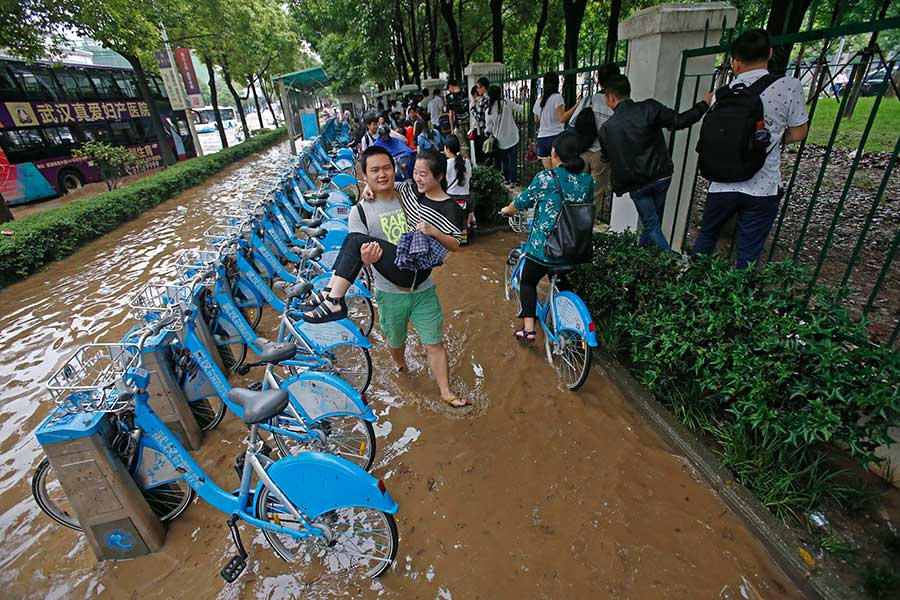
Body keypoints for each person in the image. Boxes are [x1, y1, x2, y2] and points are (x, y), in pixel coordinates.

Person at [302, 146, 469, 408]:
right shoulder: (360, 210)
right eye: (374, 171)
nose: (382, 175)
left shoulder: (410, 192)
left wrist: (436, 230)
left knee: (434, 343)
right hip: (390, 288)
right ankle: (401, 366)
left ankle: (446, 391)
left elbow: (432, 195)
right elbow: (356, 254)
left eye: (386, 168)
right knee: (395, 340)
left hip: (422, 285)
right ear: (364, 175)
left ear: (395, 169)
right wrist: (366, 260)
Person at [692, 29, 809, 268]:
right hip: (763, 185)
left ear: (735, 62)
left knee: (706, 237)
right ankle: (741, 296)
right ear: (770, 53)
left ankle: (692, 283)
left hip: (721, 182)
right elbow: (799, 132)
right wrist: (767, 140)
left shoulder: (720, 95)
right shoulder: (789, 87)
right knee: (749, 250)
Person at [598, 74, 711, 251]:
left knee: (651, 225)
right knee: (652, 224)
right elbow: (679, 121)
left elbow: (606, 157)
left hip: (637, 184)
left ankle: (669, 262)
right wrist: (703, 104)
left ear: (611, 97)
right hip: (661, 176)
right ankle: (643, 255)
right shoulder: (649, 108)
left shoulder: (607, 128)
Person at [500, 131, 593, 342]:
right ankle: (572, 322)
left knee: (527, 281)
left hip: (546, 248)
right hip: (574, 247)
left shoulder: (545, 178)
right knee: (559, 277)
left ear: (554, 152)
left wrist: (507, 210)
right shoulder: (587, 181)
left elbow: (522, 201)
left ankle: (528, 330)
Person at [567, 63, 620, 214]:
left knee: (578, 191)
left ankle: (572, 223)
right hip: (602, 155)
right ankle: (587, 227)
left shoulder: (589, 100)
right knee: (595, 196)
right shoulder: (617, 104)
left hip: (583, 151)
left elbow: (572, 123)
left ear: (599, 80)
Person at [533, 72, 578, 170]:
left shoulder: (539, 100)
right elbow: (562, 118)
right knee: (558, 173)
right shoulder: (557, 98)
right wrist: (576, 106)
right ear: (556, 83)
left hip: (542, 140)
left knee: (550, 174)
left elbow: (536, 119)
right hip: (555, 138)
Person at [485, 84, 524, 184]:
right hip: (513, 136)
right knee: (513, 161)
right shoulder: (507, 103)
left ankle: (506, 179)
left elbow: (488, 127)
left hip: (500, 140)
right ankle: (514, 181)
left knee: (505, 161)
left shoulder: (489, 110)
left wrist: (487, 132)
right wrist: (521, 99)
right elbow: (521, 109)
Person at [443, 134, 474, 242]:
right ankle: (469, 225)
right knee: (468, 215)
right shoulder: (467, 162)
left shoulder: (446, 164)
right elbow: (469, 178)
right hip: (466, 197)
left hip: (451, 197)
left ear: (447, 149)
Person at [471, 78, 490, 164]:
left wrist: (472, 109)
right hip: (492, 129)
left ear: (483, 87)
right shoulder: (490, 97)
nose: (477, 89)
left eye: (478, 87)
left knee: (483, 155)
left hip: (483, 130)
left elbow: (479, 117)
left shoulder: (483, 100)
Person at [446, 79, 470, 144]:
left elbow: (451, 115)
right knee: (470, 142)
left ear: (451, 86)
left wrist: (452, 129)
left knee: (463, 145)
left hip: (459, 124)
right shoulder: (465, 94)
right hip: (469, 122)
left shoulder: (450, 98)